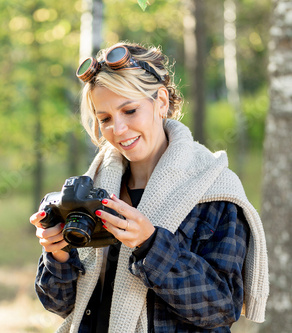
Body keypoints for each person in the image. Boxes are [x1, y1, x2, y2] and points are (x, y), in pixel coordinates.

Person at [30, 42, 269, 333]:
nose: (117, 130)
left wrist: (151, 244)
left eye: (129, 111)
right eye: (105, 118)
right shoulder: (92, 190)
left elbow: (222, 308)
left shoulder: (214, 190)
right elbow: (62, 305)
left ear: (162, 102)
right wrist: (58, 255)